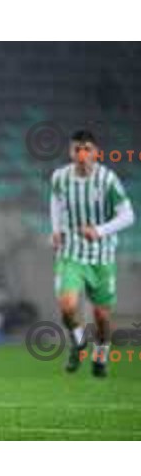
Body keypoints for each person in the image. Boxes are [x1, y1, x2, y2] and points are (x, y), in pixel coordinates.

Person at [51, 129, 135, 377]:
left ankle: (100, 357)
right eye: (77, 149)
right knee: (67, 306)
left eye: (87, 149)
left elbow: (128, 215)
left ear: (96, 153)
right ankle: (78, 341)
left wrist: (100, 230)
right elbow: (55, 202)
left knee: (101, 316)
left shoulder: (107, 180)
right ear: (70, 151)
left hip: (102, 256)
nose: (82, 154)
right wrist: (56, 230)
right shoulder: (60, 177)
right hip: (71, 252)